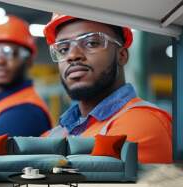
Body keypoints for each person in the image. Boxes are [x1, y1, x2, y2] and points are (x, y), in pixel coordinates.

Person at [42, 14, 172, 163]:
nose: (72, 55)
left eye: (91, 43)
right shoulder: (58, 131)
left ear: (122, 55)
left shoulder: (143, 124)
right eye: (63, 49)